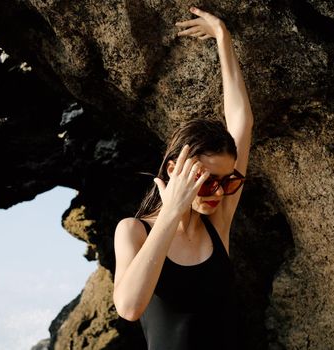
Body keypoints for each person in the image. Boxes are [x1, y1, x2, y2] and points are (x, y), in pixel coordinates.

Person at [112, 6, 254, 350]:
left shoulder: (216, 221)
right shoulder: (133, 231)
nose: (218, 192)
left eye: (228, 181)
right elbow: (130, 308)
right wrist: (171, 212)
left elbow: (242, 122)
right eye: (206, 181)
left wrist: (223, 36)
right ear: (175, 169)